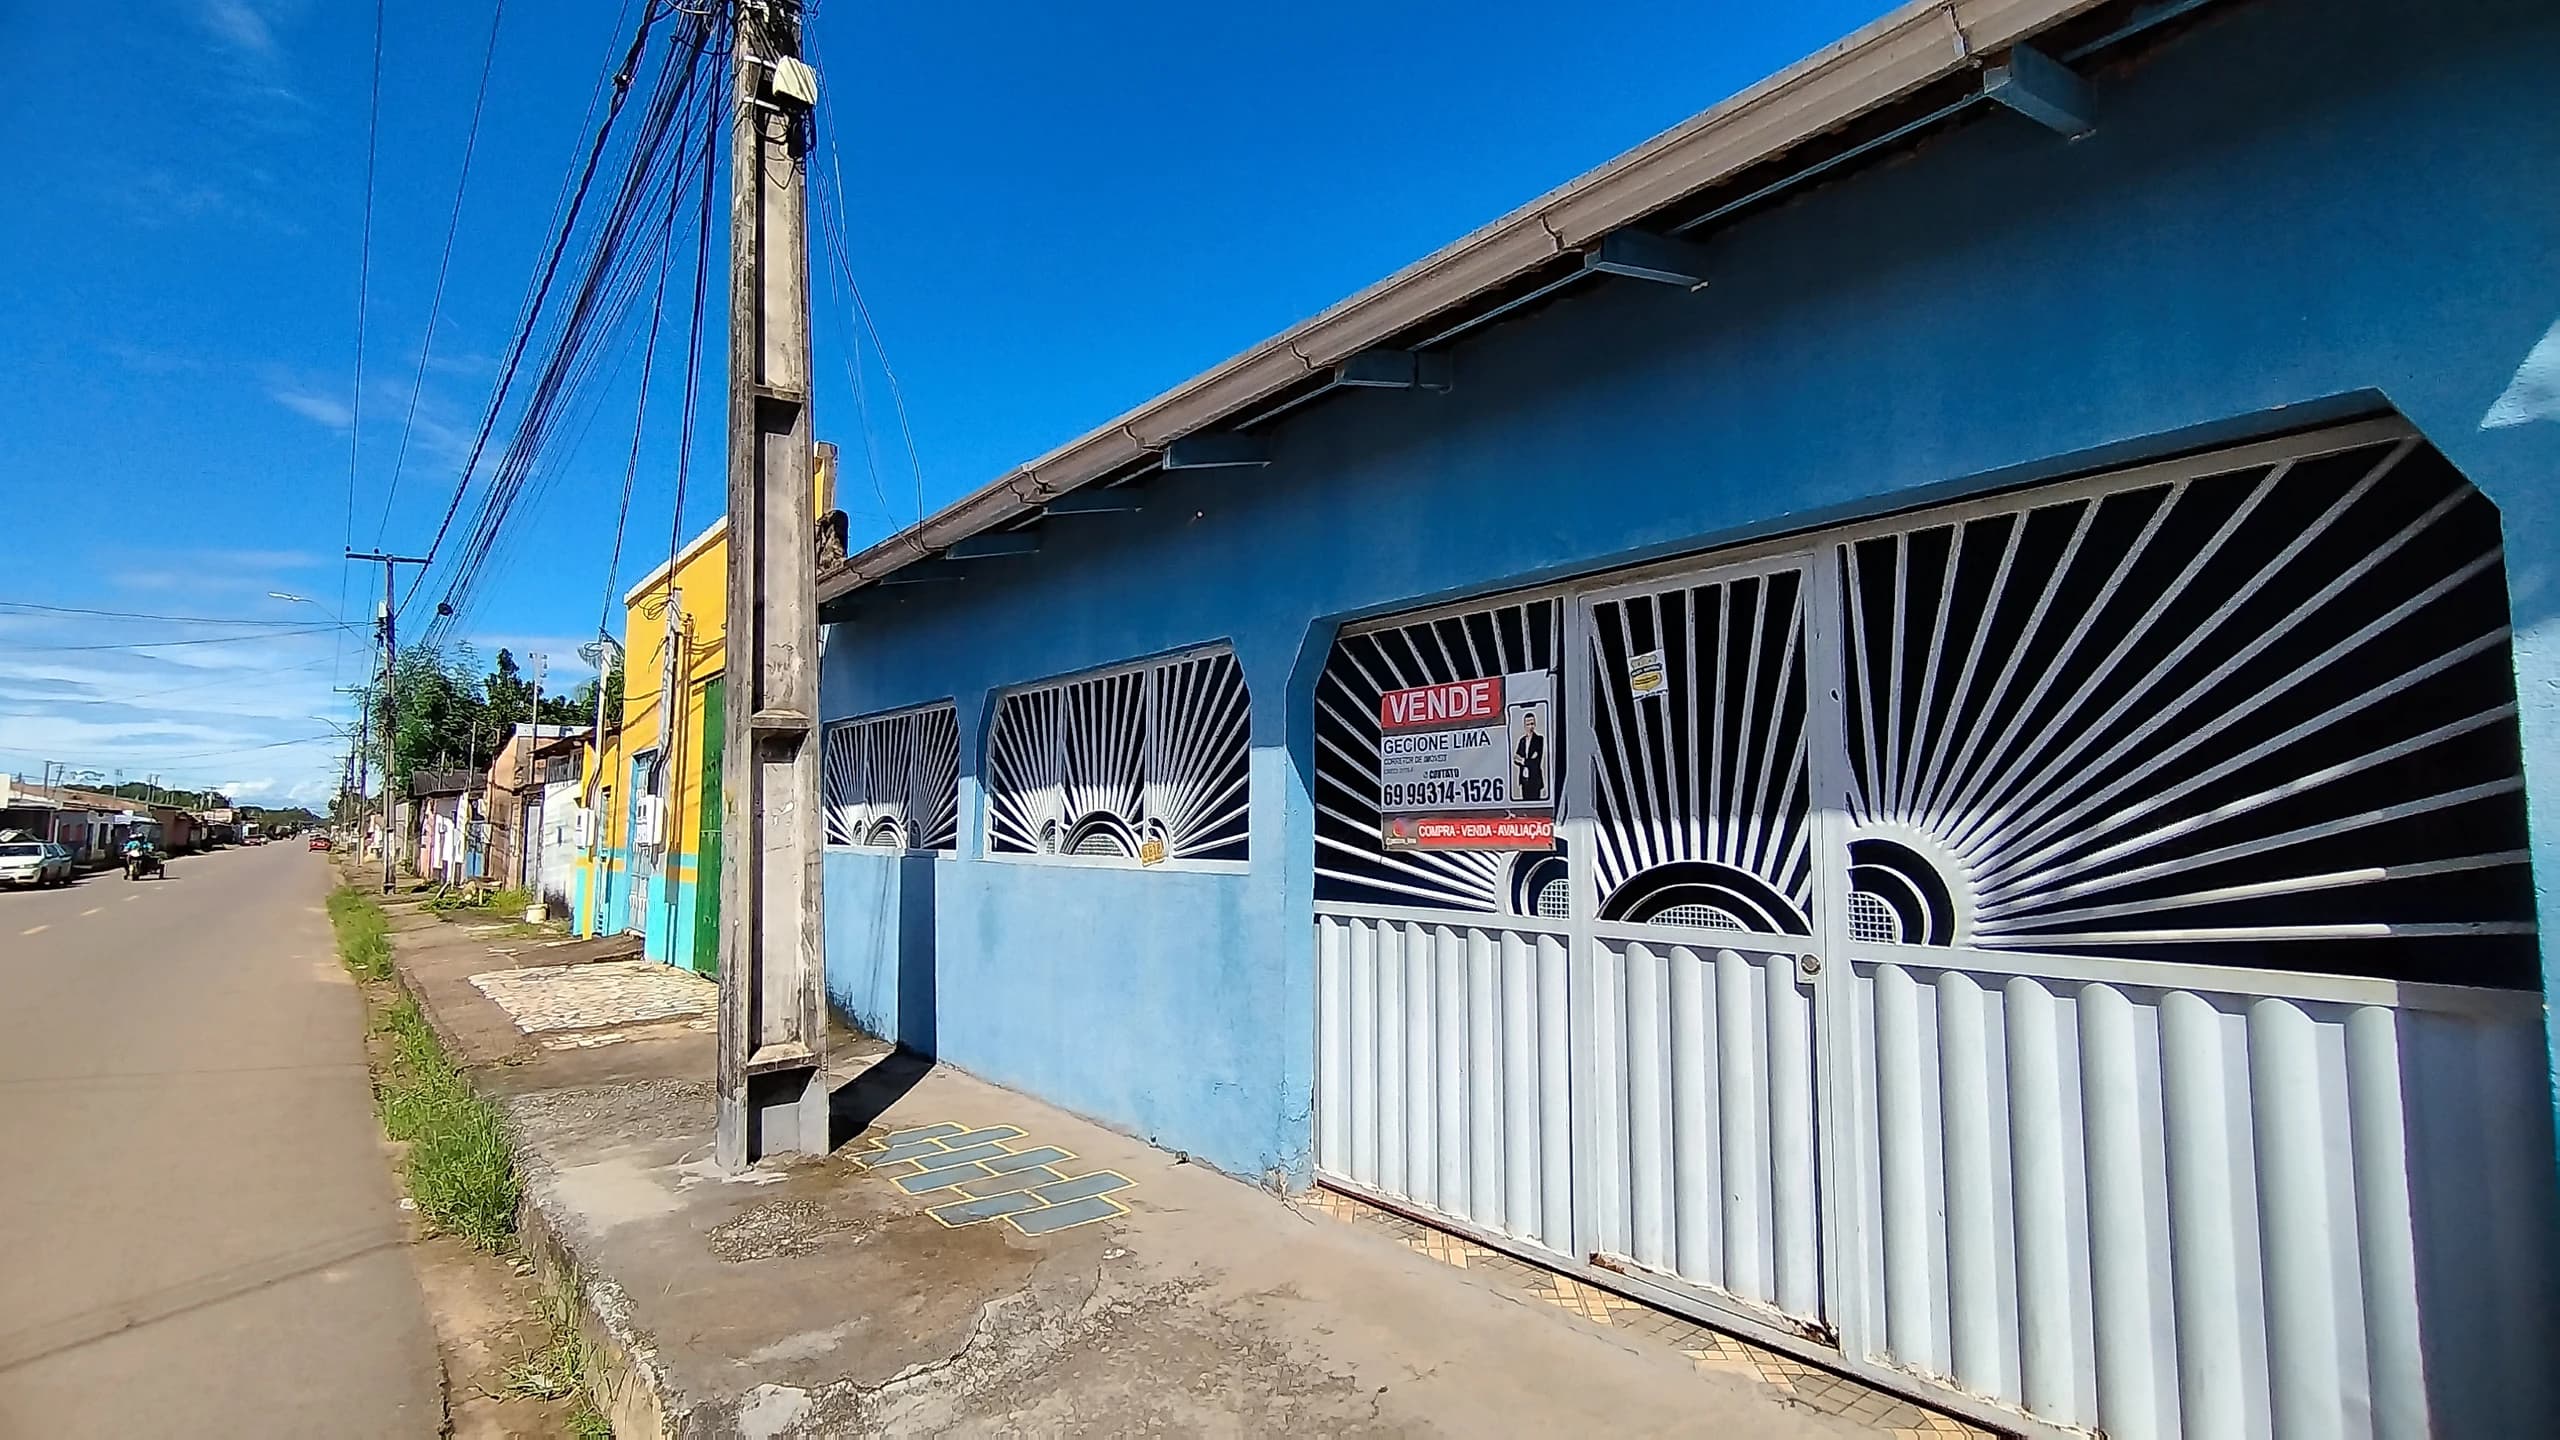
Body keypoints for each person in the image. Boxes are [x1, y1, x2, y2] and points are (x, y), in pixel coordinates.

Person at [1514, 710, 1547, 803]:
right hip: (1524, 779)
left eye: (1532, 724)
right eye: (1528, 724)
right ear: (1524, 726)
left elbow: (1536, 761)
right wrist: (1525, 760)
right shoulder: (1522, 741)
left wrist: (1523, 761)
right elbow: (1516, 758)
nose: (1530, 727)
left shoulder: (1539, 739)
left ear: (1535, 724)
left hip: (1535, 779)